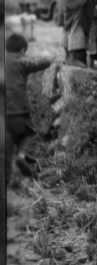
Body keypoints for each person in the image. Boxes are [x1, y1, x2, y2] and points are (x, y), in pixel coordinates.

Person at [5, 33, 53, 180]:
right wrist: (48, 56)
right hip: (21, 110)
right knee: (29, 135)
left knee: (9, 143)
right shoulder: (22, 62)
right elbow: (43, 63)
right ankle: (22, 156)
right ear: (22, 51)